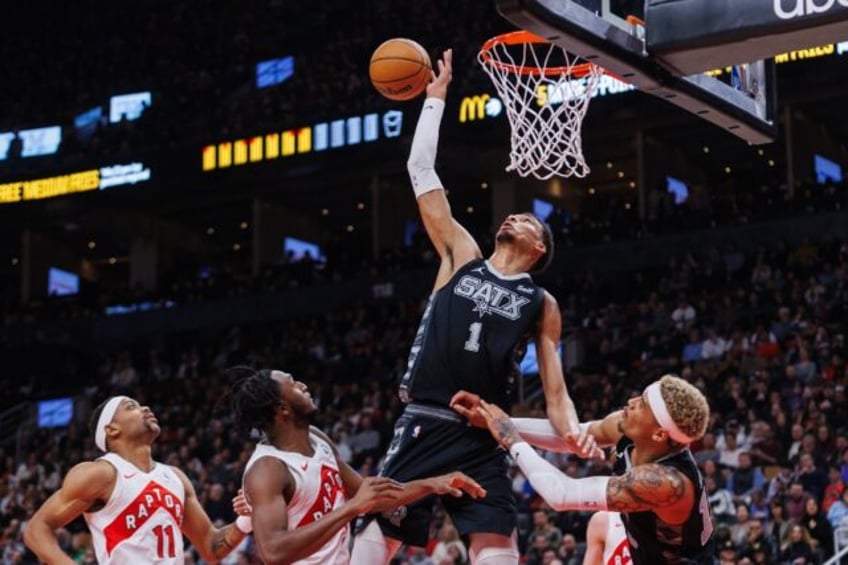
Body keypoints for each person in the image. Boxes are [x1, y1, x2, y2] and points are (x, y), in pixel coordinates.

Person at [352, 47, 593, 565]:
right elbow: (420, 169)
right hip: (424, 417)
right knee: (379, 533)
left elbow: (555, 392)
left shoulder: (541, 301)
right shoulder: (462, 254)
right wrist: (434, 100)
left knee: (498, 544)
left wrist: (575, 433)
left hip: (483, 433)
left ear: (539, 248)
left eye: (528, 219)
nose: (514, 218)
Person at [228, 368, 486, 564]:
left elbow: (369, 494)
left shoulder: (317, 439)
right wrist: (351, 508)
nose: (303, 385)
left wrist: (434, 484)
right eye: (293, 384)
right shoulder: (268, 468)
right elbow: (272, 551)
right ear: (282, 409)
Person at [453, 374, 716, 564]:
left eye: (643, 404)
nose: (633, 400)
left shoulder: (666, 483)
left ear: (659, 435)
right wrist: (492, 419)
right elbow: (572, 435)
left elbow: (562, 495)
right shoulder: (628, 429)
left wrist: (510, 438)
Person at [23, 396, 252, 564]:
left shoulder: (175, 477)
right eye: (131, 407)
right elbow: (36, 529)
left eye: (141, 404)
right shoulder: (101, 473)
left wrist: (246, 520)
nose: (145, 407)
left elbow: (211, 548)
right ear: (112, 430)